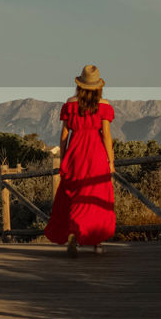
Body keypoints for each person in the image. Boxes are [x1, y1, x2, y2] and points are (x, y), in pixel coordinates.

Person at [44, 64, 116, 257]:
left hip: (75, 153)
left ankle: (74, 232)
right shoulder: (104, 105)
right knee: (97, 196)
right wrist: (112, 161)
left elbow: (64, 134)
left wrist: (63, 156)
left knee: (73, 195)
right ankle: (97, 243)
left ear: (80, 85)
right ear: (98, 86)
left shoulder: (70, 104)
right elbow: (107, 136)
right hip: (96, 155)